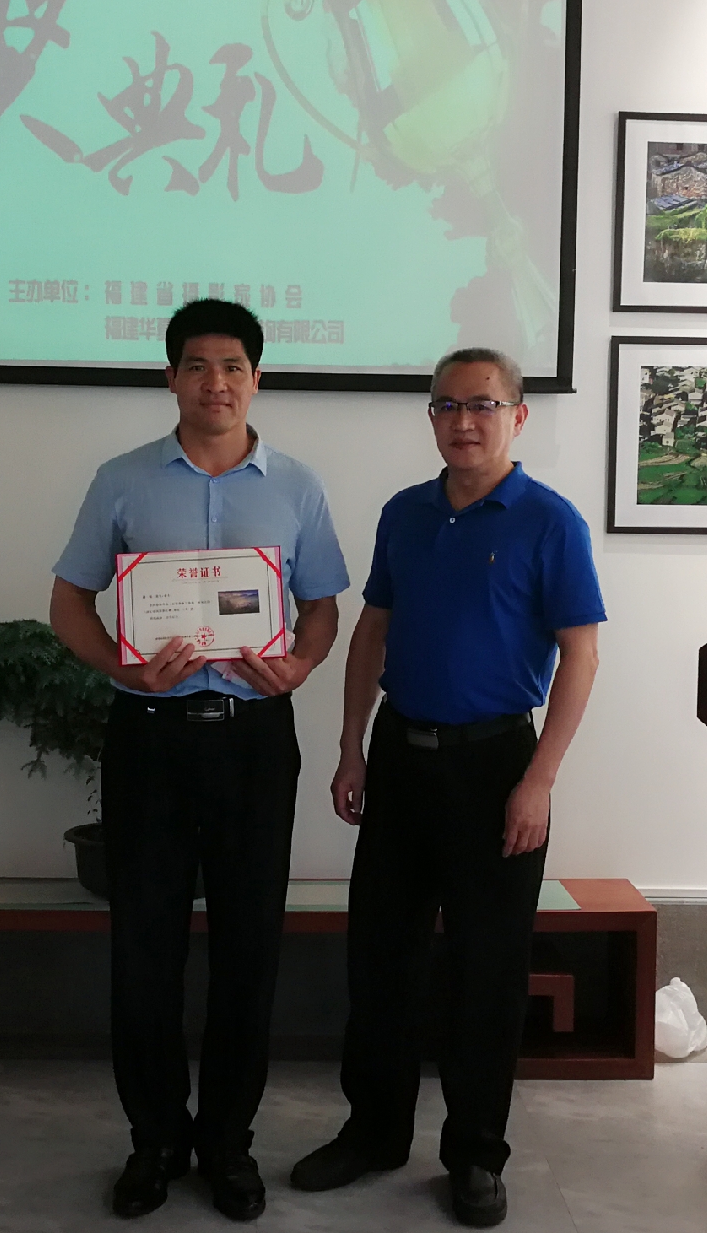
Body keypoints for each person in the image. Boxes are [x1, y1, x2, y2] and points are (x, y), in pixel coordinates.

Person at [290, 347, 605, 1228]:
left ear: (517, 415)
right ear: (430, 416)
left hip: (498, 764)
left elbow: (581, 654)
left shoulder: (550, 521)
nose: (463, 421)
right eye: (446, 406)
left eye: (483, 405)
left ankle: (474, 1153)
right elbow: (372, 631)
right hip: (401, 756)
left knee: (486, 969)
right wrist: (351, 747)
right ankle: (374, 1131)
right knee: (381, 957)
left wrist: (539, 780)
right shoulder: (406, 512)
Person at [50, 299, 348, 1223]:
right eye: (196, 365)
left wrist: (299, 665)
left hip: (254, 740)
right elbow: (68, 604)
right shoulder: (122, 480)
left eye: (232, 366)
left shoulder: (296, 484)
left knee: (250, 946)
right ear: (170, 377)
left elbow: (324, 606)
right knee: (144, 946)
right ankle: (154, 1139)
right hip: (151, 736)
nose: (215, 382)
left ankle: (226, 1142)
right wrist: (123, 666)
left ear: (257, 378)